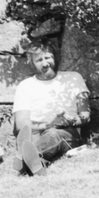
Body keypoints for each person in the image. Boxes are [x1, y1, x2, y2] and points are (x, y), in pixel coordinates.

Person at [12, 41, 90, 176]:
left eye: (48, 58)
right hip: (36, 134)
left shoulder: (73, 78)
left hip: (66, 132)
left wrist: (70, 121)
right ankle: (34, 162)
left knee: (53, 134)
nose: (45, 63)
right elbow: (21, 124)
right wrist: (48, 124)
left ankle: (25, 156)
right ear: (32, 63)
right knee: (39, 135)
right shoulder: (25, 86)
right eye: (39, 60)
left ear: (55, 57)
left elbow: (86, 115)